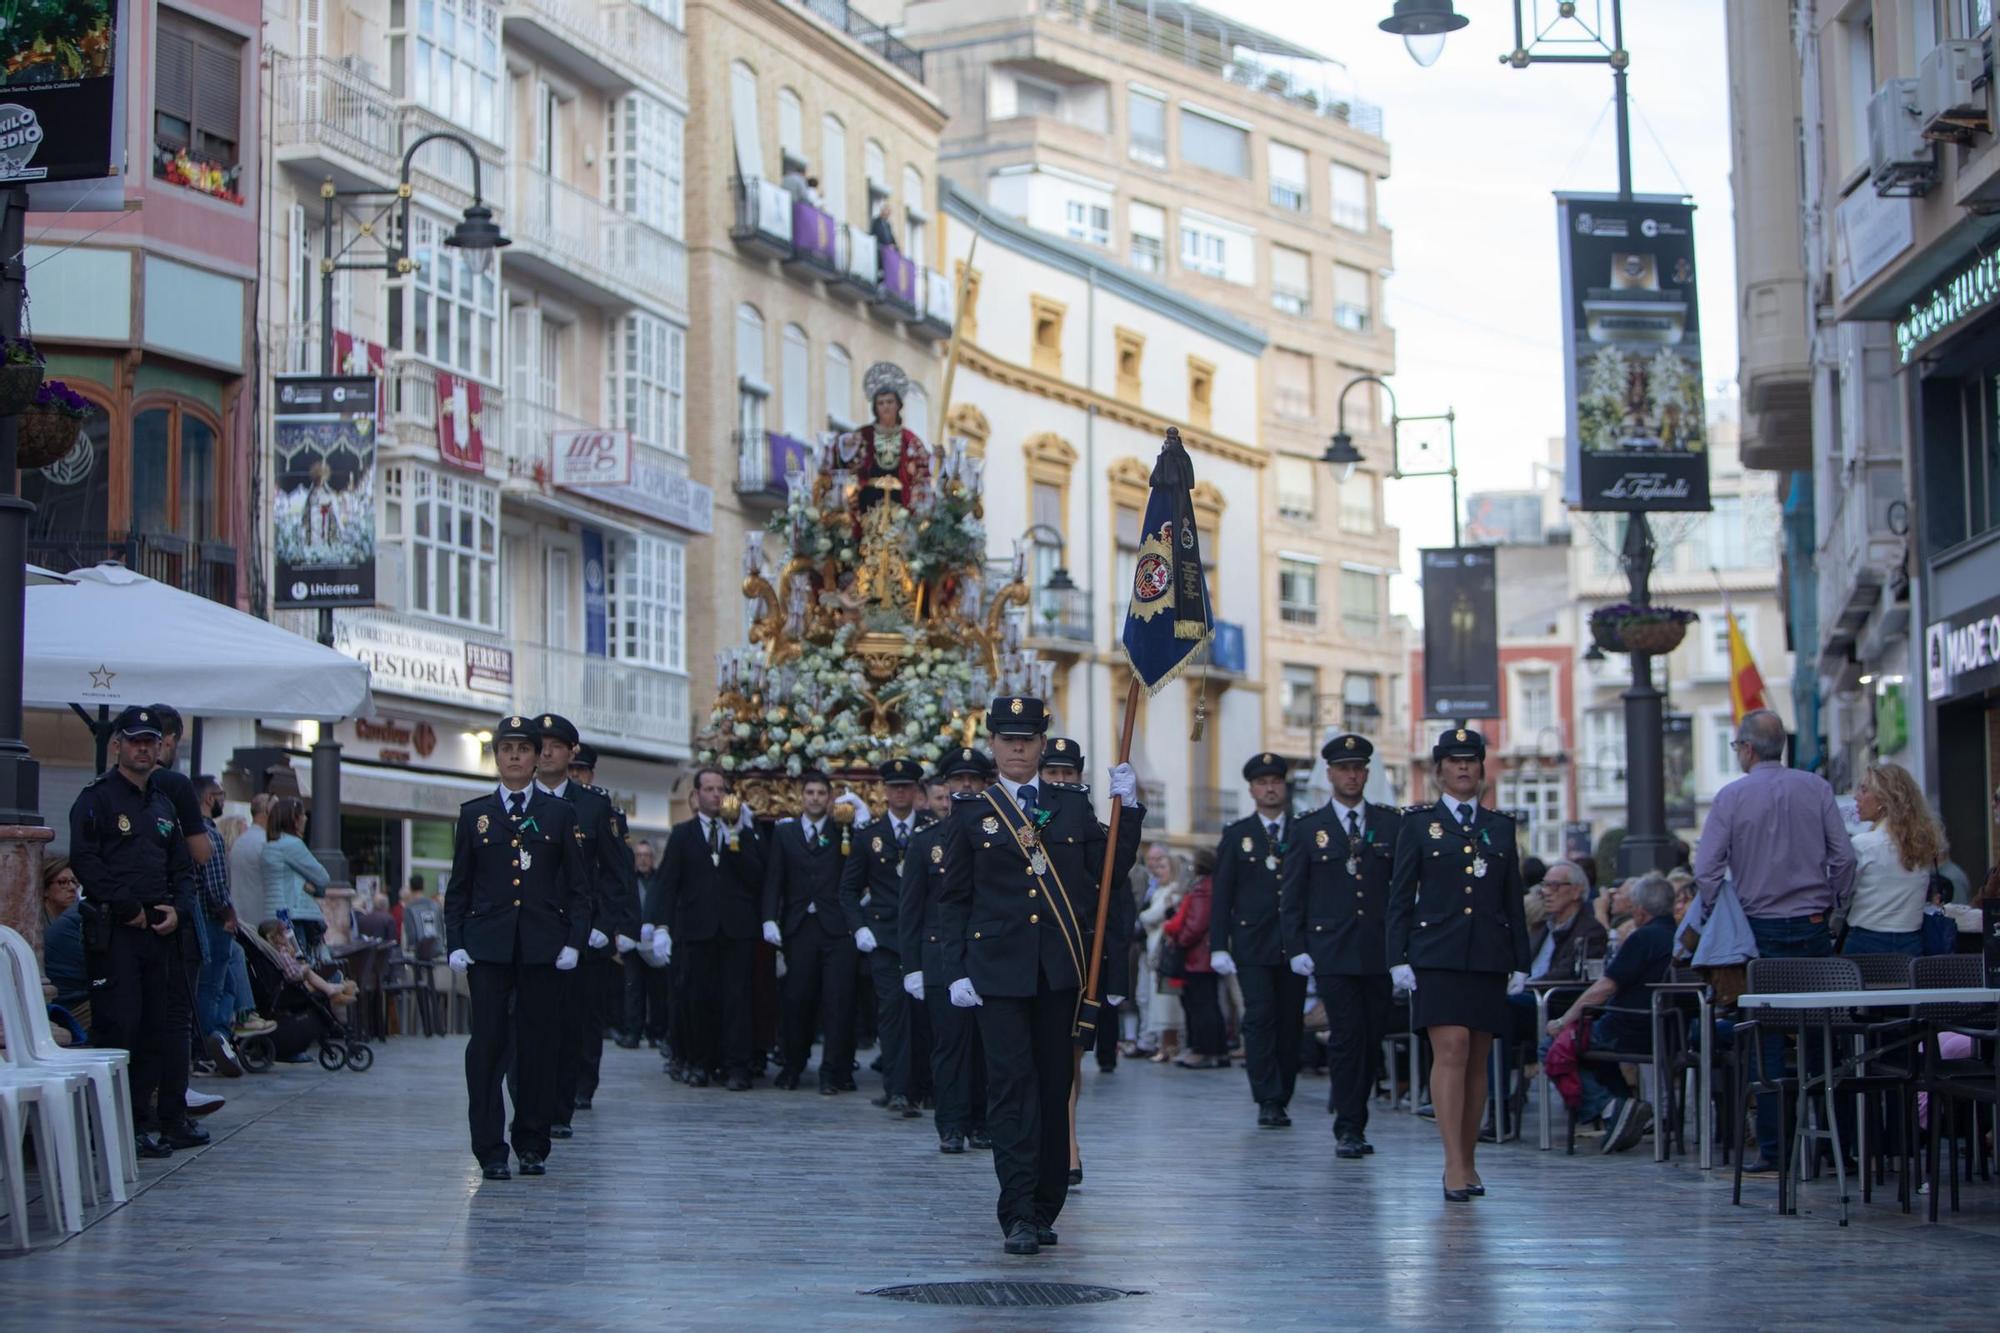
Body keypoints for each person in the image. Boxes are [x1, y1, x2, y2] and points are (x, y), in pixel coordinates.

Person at [937, 694, 1144, 1256]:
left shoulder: (1071, 806)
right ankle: (1017, 1212)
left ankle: (1046, 1203)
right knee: (1010, 1091)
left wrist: (1130, 810)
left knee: (1055, 1089)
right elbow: (953, 899)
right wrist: (955, 969)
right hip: (997, 975)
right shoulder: (971, 813)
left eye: (1028, 739)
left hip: (1060, 973)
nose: (1019, 748)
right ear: (994, 744)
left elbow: (1110, 872)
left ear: (1041, 742)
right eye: (1008, 739)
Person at [1693, 707, 1856, 1175]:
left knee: (1764, 1040)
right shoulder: (1817, 788)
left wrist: (1718, 912)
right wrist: (1834, 905)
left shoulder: (1731, 797)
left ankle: (1774, 1148)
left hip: (1757, 930)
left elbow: (1707, 871)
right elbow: (1843, 857)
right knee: (1822, 1036)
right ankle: (1833, 1145)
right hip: (1811, 925)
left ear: (1746, 748)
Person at [1386, 727, 1530, 1203]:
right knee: (1452, 1047)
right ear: (1439, 770)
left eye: (1472, 760)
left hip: (1488, 953)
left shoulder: (1501, 826)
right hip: (1437, 953)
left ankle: (1469, 1161)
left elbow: (1512, 900)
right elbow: (1400, 897)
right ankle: (1452, 1164)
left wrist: (1521, 961)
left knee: (1477, 1059)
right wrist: (1397, 958)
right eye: (1454, 761)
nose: (1464, 768)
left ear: (1482, 769)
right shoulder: (1417, 824)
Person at [444, 715, 589, 1181]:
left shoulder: (559, 815)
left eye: (523, 749)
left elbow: (579, 889)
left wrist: (574, 941)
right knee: (487, 1049)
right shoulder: (475, 814)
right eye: (505, 748)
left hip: (542, 948)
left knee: (538, 1049)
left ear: (535, 757)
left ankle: (531, 1142)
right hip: (488, 949)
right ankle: (489, 1149)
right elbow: (459, 889)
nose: (514, 756)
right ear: (496, 756)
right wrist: (456, 942)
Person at [67, 705, 204, 1158]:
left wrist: (179, 912)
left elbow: (183, 869)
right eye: (135, 741)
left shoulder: (163, 805)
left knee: (153, 1031)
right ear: (117, 745)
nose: (144, 749)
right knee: (118, 1027)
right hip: (117, 930)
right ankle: (105, 1127)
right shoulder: (97, 799)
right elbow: (85, 861)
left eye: (150, 741)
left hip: (159, 933)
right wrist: (128, 909)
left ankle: (140, 1125)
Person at [1282, 733, 1403, 1157]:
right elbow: (1294, 893)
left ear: (1367, 773)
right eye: (1344, 768)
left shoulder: (1391, 824)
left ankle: (1354, 1109)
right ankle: (1349, 1126)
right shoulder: (1308, 828)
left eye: (1358, 768)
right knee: (1347, 1036)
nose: (1351, 775)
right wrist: (1295, 945)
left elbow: (1402, 892)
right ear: (1330, 774)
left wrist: (1403, 950)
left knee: (1371, 1038)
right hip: (1331, 948)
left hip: (1378, 949)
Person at [529, 714, 639, 1131]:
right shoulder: (519, 798)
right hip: (536, 929)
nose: (547, 751)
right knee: (533, 1023)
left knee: (578, 1022)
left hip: (584, 932)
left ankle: (572, 1096)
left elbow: (616, 874)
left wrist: (607, 923)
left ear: (571, 752)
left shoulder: (593, 806)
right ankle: (536, 1100)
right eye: (541, 744)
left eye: (556, 745)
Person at [646, 767, 764, 1089]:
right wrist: (660, 926)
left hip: (735, 929)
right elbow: (667, 883)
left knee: (737, 1001)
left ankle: (737, 1066)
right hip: (696, 929)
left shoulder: (744, 831)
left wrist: (737, 836)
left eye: (720, 789)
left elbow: (756, 877)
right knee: (698, 999)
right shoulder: (683, 834)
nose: (715, 795)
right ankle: (699, 1062)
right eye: (709, 789)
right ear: (696, 796)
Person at [900, 751, 993, 1154]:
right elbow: (912, 908)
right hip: (940, 955)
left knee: (986, 1047)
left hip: (986, 955)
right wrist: (912, 965)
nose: (967, 786)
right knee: (950, 1046)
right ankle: (951, 1124)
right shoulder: (925, 843)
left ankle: (982, 1121)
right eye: (959, 780)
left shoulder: (997, 833)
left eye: (974, 779)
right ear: (946, 787)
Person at [1546, 873, 1679, 1152]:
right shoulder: (1677, 935)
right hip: (1668, 1029)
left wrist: (1563, 1020)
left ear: (1640, 911)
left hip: (1627, 1029)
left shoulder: (1643, 937)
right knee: (1584, 1049)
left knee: (1551, 1046)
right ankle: (1624, 1110)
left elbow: (1604, 987)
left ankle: (1610, 1108)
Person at [1210, 752, 1307, 1127]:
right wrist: (1219, 945)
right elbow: (1223, 895)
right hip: (1252, 943)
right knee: (1260, 1017)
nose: (1270, 788)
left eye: (1276, 781)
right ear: (1251, 789)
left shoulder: (1302, 831)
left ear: (1285, 786)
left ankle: (1284, 1091)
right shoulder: (1238, 835)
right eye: (1262, 783)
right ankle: (1267, 1097)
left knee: (1289, 1022)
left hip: (1294, 944)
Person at [763, 771, 867, 1094]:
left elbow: (859, 870)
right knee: (796, 1001)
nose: (815, 798)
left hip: (837, 929)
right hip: (799, 927)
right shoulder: (785, 833)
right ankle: (792, 1066)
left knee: (838, 1002)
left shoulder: (842, 830)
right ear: (800, 795)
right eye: (810, 792)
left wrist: (860, 823)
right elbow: (774, 879)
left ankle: (832, 1072)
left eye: (822, 793)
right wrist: (769, 918)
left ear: (830, 796)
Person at [842, 757, 932, 1116]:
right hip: (884, 937)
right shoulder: (870, 835)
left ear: (916, 791)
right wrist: (859, 927)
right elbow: (848, 889)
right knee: (893, 1013)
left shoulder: (930, 830)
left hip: (924, 937)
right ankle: (897, 1089)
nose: (900, 793)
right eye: (894, 787)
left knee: (923, 1014)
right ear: (885, 791)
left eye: (906, 787)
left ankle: (924, 1085)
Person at [1844, 762, 1945, 957]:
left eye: (1864, 790)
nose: (1856, 797)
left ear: (1884, 799)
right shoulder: (1923, 844)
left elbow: (1844, 894)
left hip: (1864, 941)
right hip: (1912, 942)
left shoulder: (1862, 845)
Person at [1167, 848, 1224, 1068]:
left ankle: (1204, 1049)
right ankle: (1215, 1050)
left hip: (1197, 956)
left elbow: (1197, 923)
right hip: (1204, 955)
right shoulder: (1211, 885)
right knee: (1208, 1003)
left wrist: (1180, 939)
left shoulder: (1203, 888)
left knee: (1201, 1005)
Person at [262, 796, 331, 957]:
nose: (306, 818)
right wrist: (309, 884)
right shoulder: (292, 844)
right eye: (303, 814)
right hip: (295, 914)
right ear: (294, 818)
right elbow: (322, 877)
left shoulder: (269, 846)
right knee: (302, 965)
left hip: (274, 914)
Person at [1137, 844, 1187, 1062]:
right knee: (1153, 999)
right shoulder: (1158, 891)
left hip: (1166, 953)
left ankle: (1170, 1045)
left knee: (1167, 1002)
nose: (1158, 871)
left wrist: (1148, 917)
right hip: (1154, 952)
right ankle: (1163, 1043)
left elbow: (1150, 917)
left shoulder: (1173, 893)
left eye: (1163, 866)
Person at [228, 792, 271, 925]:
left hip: (241, 921)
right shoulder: (266, 844)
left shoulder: (239, 843)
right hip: (264, 925)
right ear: (267, 812)